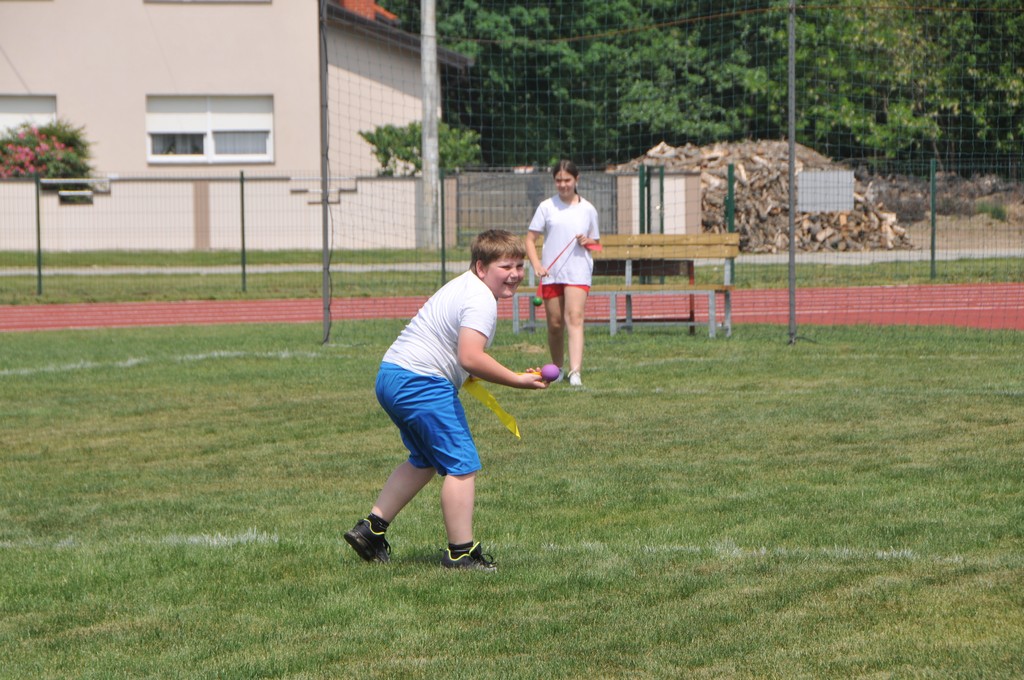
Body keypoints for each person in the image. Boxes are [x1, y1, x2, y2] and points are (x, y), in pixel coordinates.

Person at [344, 229, 548, 572]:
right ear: (481, 267)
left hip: (392, 375)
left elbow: (455, 351)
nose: (515, 274)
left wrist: (476, 372)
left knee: (424, 459)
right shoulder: (481, 299)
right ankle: (460, 553)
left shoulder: (464, 285)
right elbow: (470, 357)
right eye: (505, 267)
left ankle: (371, 530)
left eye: (519, 265)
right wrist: (517, 380)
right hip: (420, 382)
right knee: (462, 465)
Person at [525, 159, 600, 387]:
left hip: (578, 272)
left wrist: (587, 241)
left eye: (567, 180)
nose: (563, 184)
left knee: (575, 318)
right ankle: (557, 369)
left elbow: (596, 243)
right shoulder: (546, 207)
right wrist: (537, 265)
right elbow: (530, 239)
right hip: (552, 274)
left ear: (576, 179)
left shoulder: (588, 209)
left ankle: (575, 372)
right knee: (555, 324)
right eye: (558, 180)